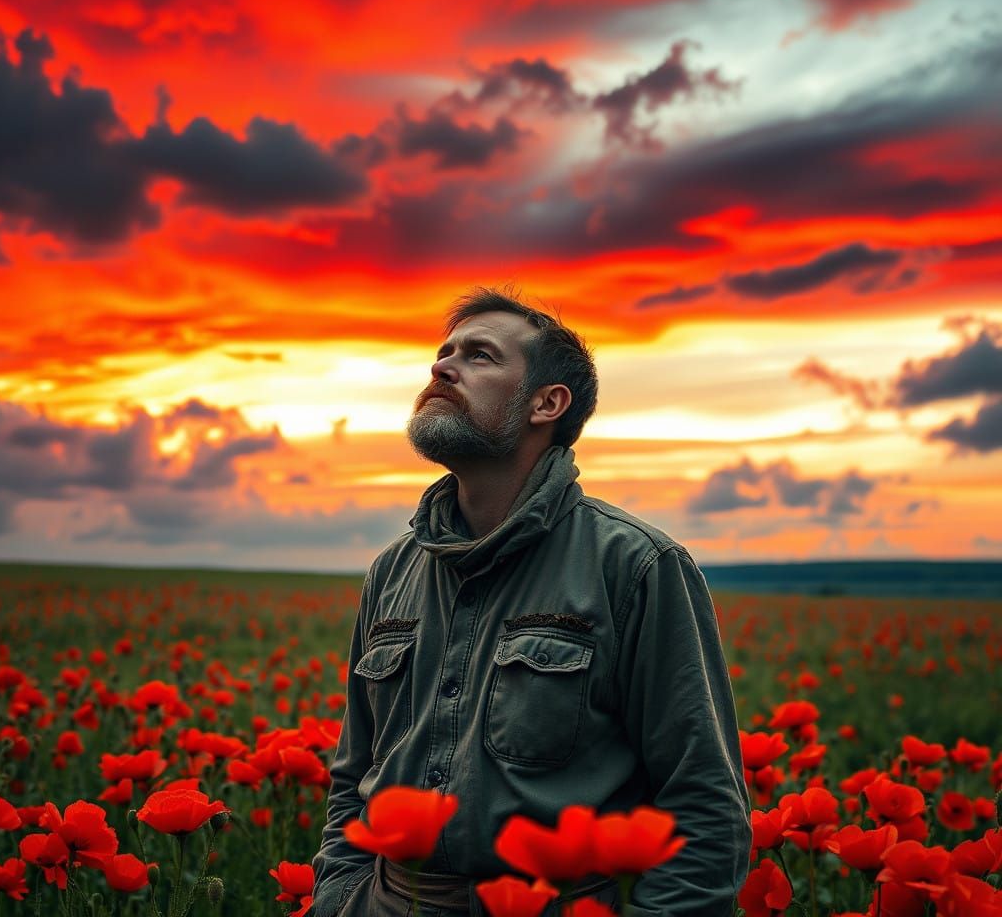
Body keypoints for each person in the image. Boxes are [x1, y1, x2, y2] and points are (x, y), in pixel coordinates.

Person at [311, 287, 751, 916]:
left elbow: (703, 802)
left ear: (547, 403)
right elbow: (354, 778)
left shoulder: (634, 566)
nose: (443, 367)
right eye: (443, 354)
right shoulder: (392, 571)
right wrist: (339, 901)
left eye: (480, 355)